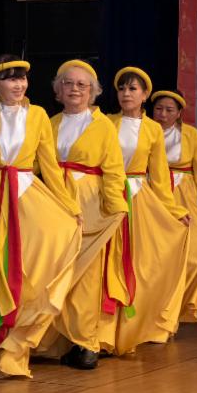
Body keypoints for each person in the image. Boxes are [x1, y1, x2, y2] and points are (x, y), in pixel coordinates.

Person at [0, 56, 82, 379]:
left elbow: (49, 165)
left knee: (23, 271)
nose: (19, 84)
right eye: (10, 78)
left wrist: (70, 206)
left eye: (22, 78)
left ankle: (9, 357)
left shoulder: (37, 116)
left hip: (25, 195)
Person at [37, 61, 127, 369]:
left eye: (81, 84)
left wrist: (114, 208)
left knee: (86, 276)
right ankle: (55, 341)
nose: (74, 89)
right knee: (55, 270)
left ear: (93, 92)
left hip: (88, 203)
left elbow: (114, 171)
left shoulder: (103, 126)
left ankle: (86, 343)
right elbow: (33, 161)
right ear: (58, 90)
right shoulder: (47, 123)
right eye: (68, 83)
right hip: (53, 202)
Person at [101, 68, 190, 354]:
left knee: (139, 262)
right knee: (106, 264)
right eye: (122, 88)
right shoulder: (105, 122)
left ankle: (133, 328)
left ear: (144, 95)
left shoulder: (152, 129)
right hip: (107, 196)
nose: (126, 94)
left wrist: (174, 210)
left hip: (138, 197)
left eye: (133, 89)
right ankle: (101, 331)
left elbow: (160, 176)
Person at [151, 90, 197, 324]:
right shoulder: (145, 130)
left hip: (183, 195)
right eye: (159, 109)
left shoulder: (191, 135)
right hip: (152, 195)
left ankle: (174, 309)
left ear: (179, 113)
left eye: (169, 110)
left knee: (192, 251)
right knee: (155, 257)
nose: (163, 114)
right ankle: (150, 311)